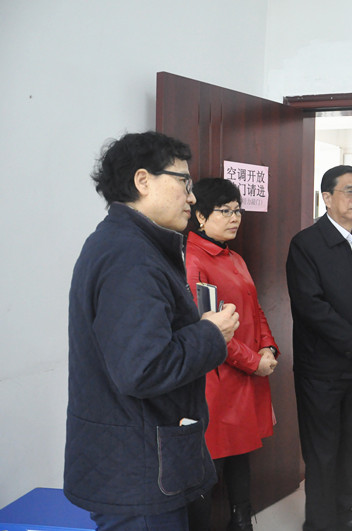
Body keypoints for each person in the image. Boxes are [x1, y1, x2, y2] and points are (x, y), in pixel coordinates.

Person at [65, 131, 240, 530]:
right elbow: (143, 368)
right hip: (138, 469)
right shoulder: (130, 256)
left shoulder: (129, 244)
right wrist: (211, 334)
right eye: (184, 182)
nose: (191, 198)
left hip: (138, 458)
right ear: (143, 180)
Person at [286, 165, 352, 531]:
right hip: (321, 369)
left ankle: (344, 514)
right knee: (322, 449)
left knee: (349, 445)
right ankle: (318, 522)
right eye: (349, 191)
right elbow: (310, 305)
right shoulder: (306, 244)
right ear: (327, 198)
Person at [184, 178, 280, 531]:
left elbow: (256, 309)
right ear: (200, 216)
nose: (234, 218)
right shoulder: (193, 259)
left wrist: (268, 347)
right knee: (207, 465)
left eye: (237, 210)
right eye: (224, 211)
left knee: (242, 455)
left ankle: (242, 521)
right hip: (216, 379)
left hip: (246, 375)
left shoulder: (234, 256)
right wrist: (254, 362)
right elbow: (207, 328)